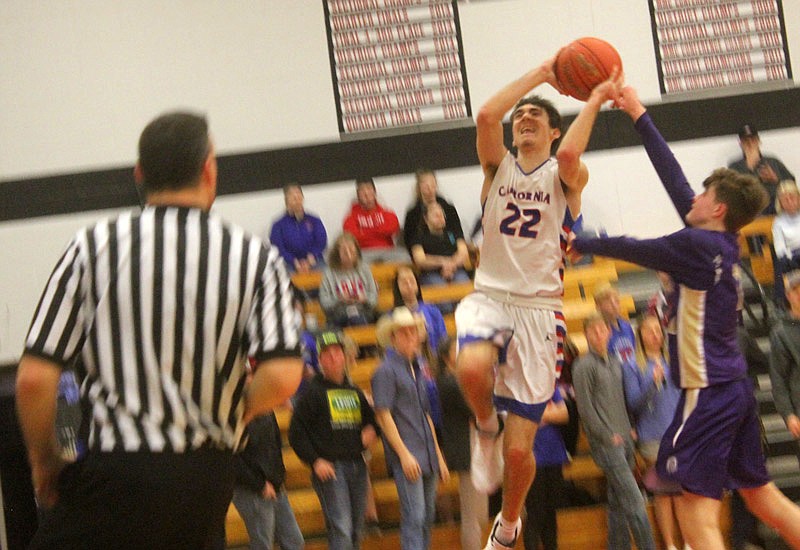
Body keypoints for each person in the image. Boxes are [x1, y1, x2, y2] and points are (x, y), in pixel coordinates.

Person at [15, 111, 303, 549]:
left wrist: (45, 461)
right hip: (207, 479)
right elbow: (283, 376)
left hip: (117, 471)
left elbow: (35, 378)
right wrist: (234, 413)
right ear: (209, 170)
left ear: (139, 174)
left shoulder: (92, 246)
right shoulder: (255, 257)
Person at [570, 86, 800, 550]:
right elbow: (672, 176)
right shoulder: (716, 240)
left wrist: (583, 242)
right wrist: (637, 113)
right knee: (760, 496)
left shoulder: (695, 247)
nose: (692, 195)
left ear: (716, 207)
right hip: (733, 390)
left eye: (704, 193)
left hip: (708, 392)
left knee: (695, 503)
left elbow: (636, 248)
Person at [453, 53, 621, 550]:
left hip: (539, 310)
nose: (523, 119)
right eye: (520, 117)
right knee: (470, 369)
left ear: (553, 132)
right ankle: (485, 423)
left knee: (521, 450)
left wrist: (591, 100)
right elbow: (486, 116)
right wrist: (542, 75)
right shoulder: (496, 167)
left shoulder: (566, 176)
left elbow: (570, 158)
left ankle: (507, 526)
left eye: (536, 117)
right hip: (491, 295)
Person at [289, 330, 380, 550]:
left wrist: (372, 430)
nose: (333, 357)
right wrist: (315, 461)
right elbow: (296, 433)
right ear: (320, 360)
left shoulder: (354, 391)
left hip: (357, 466)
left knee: (356, 530)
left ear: (345, 356)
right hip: (332, 471)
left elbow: (373, 422)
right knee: (341, 529)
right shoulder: (312, 393)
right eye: (327, 354)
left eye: (337, 352)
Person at [573, 314, 656, 550]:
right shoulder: (582, 366)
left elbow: (624, 400)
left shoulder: (616, 362)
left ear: (609, 333)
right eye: (593, 331)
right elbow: (586, 410)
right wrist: (607, 436)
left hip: (625, 440)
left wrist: (629, 428)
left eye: (602, 330)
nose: (599, 334)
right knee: (635, 502)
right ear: (586, 335)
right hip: (607, 444)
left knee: (618, 502)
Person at [371, 307, 450, 550]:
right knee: (414, 517)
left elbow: (426, 414)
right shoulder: (385, 370)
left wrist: (437, 454)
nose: (410, 337)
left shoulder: (418, 368)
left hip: (426, 453)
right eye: (404, 333)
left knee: (426, 517)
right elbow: (383, 416)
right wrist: (404, 455)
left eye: (413, 332)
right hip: (408, 454)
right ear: (393, 338)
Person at [623, 315, 683, 550]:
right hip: (652, 436)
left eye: (658, 330)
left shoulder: (673, 363)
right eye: (650, 331)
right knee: (664, 492)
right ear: (640, 335)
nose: (656, 335)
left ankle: (687, 541)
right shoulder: (632, 366)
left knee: (682, 491)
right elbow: (633, 403)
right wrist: (652, 383)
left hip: (678, 435)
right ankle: (669, 544)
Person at [435, 336, 489, 550]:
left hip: (475, 444)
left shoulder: (458, 379)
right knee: (472, 514)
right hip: (465, 447)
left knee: (481, 514)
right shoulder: (449, 382)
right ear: (446, 356)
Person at [232, 410, 305, 550]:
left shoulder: (267, 410)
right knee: (263, 544)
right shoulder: (231, 412)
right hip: (250, 488)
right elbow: (231, 459)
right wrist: (260, 485)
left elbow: (276, 443)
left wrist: (278, 477)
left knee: (294, 540)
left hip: (274, 485)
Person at [523, 388, 569, 550]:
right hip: (532, 459)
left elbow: (564, 414)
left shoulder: (550, 386)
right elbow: (522, 417)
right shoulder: (519, 386)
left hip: (554, 455)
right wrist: (550, 412)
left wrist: (542, 414)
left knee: (551, 512)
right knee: (536, 513)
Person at [410, 202, 471, 311]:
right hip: (431, 273)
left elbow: (463, 253)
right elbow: (420, 259)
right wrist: (443, 262)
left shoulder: (453, 233)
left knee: (466, 296)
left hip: (456, 270)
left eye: (442, 214)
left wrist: (451, 265)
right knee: (444, 301)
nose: (440, 217)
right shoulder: (418, 237)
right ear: (426, 218)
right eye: (436, 215)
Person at [728, 123, 795, 215]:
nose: (750, 143)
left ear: (759, 141)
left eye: (753, 140)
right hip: (748, 212)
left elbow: (791, 185)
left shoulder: (772, 162)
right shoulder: (735, 166)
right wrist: (750, 166)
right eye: (746, 141)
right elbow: (732, 193)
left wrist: (776, 180)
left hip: (773, 210)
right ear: (741, 144)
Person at [319, 232, 379, 328]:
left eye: (351, 250)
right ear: (337, 254)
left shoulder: (364, 269)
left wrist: (364, 298)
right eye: (344, 251)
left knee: (360, 320)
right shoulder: (329, 273)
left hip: (363, 313)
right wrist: (340, 299)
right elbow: (324, 303)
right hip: (338, 315)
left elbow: (374, 299)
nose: (349, 255)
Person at [769, 269, 800, 445]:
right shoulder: (781, 333)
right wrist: (789, 415)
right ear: (788, 296)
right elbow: (778, 378)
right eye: (796, 290)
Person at [269, 183, 327, 273]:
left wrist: (312, 256)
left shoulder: (314, 220)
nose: (297, 198)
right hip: (289, 263)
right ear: (286, 200)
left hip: (313, 260)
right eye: (292, 196)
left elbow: (321, 241)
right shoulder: (278, 225)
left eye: (299, 194)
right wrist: (293, 261)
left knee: (325, 275)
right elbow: (278, 248)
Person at [403, 168, 464, 253]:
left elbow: (459, 235)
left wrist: (456, 257)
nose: (430, 190)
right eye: (426, 186)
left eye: (433, 185)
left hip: (451, 250)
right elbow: (410, 240)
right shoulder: (413, 214)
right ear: (419, 188)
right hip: (425, 254)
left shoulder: (448, 208)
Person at [342, 177, 402, 261]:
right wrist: (380, 231)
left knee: (404, 257)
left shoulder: (388, 214)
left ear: (374, 192)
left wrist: (364, 232)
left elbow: (393, 229)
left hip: (387, 251)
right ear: (358, 194)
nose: (366, 193)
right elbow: (351, 237)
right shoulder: (350, 218)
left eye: (369, 189)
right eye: (362, 190)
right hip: (363, 253)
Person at [593, 283, 637, 370]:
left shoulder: (626, 325)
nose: (614, 305)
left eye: (616, 300)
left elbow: (635, 351)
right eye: (608, 301)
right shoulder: (598, 331)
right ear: (598, 306)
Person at [772, 181, 800, 307]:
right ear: (780, 203)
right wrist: (789, 257)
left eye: (792, 197)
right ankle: (782, 302)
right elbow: (780, 248)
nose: (789, 201)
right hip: (791, 257)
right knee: (781, 263)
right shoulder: (778, 222)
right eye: (785, 199)